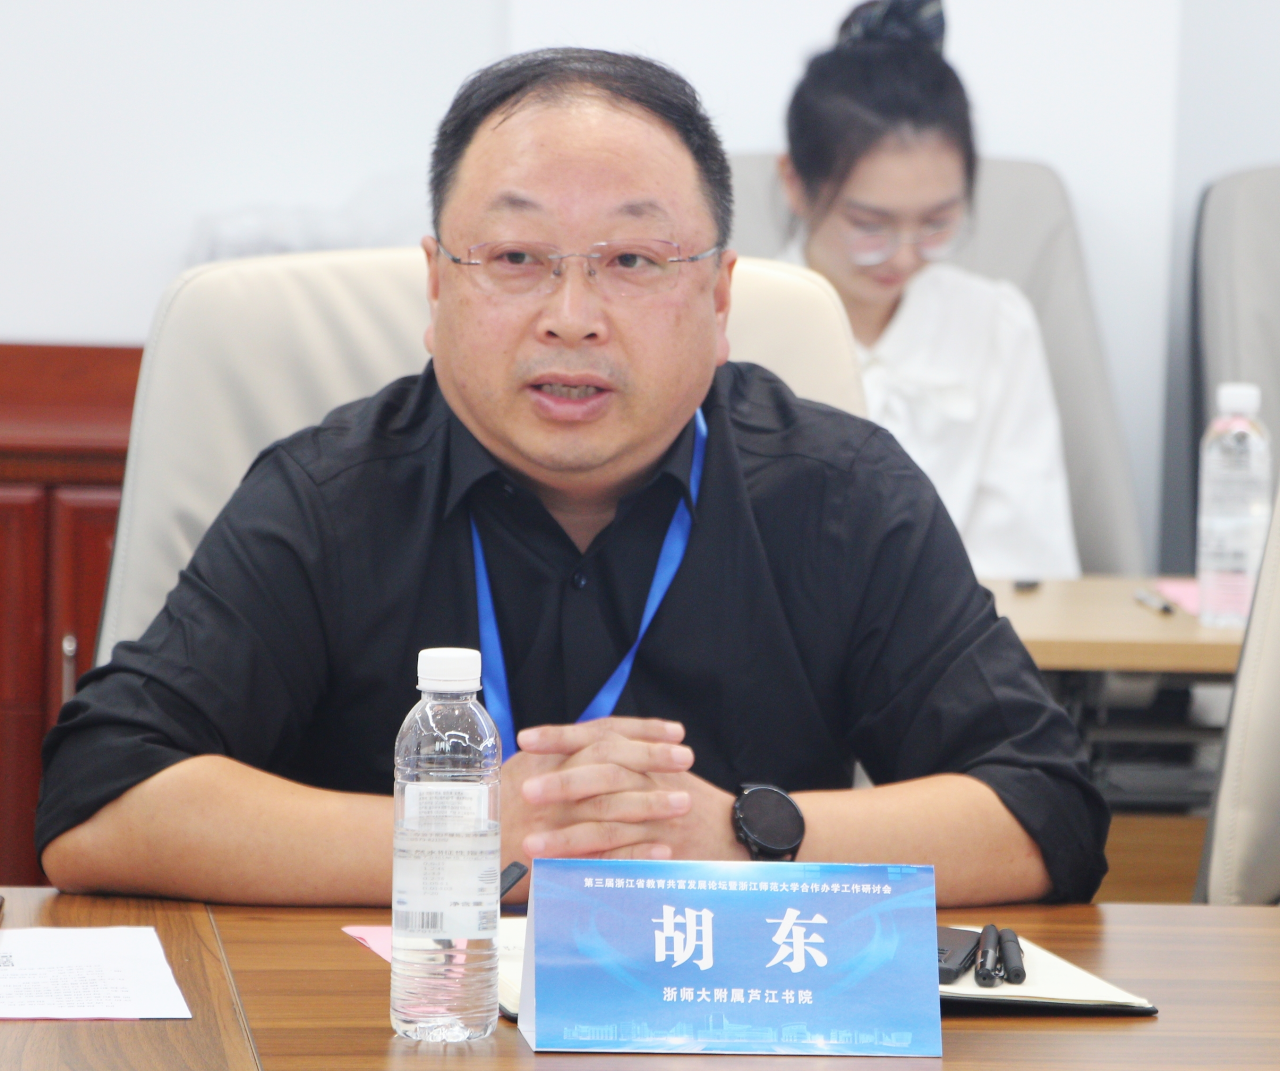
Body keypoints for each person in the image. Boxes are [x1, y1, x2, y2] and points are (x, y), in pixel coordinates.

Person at [37, 48, 1107, 908]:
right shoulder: (328, 498)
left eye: (632, 262)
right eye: (516, 259)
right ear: (436, 288)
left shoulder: (840, 494)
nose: (572, 316)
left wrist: (738, 838)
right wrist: (467, 835)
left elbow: (1046, 808)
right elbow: (98, 797)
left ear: (719, 299)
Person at [779, 0, 1081, 580]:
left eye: (937, 223)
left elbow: (1028, 560)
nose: (904, 256)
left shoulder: (995, 324)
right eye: (870, 225)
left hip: (961, 630)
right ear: (795, 183)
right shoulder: (732, 322)